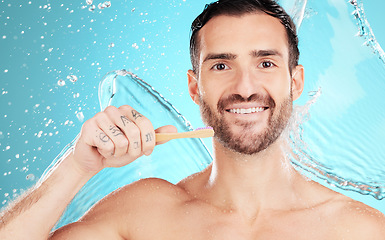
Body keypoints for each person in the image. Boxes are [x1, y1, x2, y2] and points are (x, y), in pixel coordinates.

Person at [1, 0, 385, 239]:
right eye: (221, 65)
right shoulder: (146, 214)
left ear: (295, 81)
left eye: (265, 63)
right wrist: (77, 166)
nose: (245, 87)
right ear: (194, 87)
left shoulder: (360, 231)